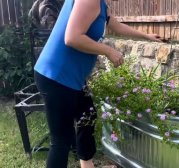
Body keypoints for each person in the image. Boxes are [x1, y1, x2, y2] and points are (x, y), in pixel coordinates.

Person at [33, 0, 162, 168]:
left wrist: (147, 36)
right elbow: (72, 38)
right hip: (56, 77)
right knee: (61, 141)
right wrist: (108, 51)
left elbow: (115, 25)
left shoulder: (101, 4)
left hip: (72, 78)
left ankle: (87, 165)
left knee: (87, 115)